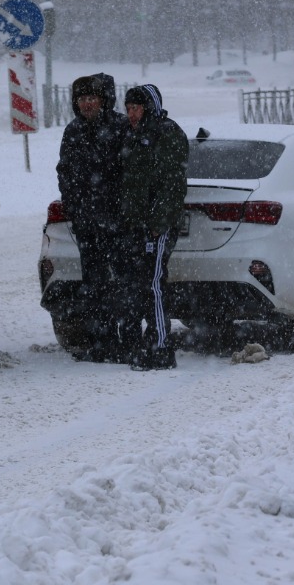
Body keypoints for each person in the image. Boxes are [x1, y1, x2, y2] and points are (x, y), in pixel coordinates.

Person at [56, 73, 133, 362]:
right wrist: (74, 207)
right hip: (87, 224)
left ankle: (128, 339)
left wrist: (122, 210)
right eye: (82, 99)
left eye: (92, 98)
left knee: (125, 283)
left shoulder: (120, 127)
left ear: (104, 101)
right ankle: (101, 340)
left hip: (119, 222)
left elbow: (129, 172)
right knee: (94, 284)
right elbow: (65, 172)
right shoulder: (73, 131)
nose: (87, 104)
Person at [118, 84, 189, 371]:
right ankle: (143, 343)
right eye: (128, 108)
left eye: (136, 108)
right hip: (134, 225)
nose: (131, 114)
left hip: (156, 227)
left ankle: (161, 346)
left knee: (154, 285)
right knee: (136, 284)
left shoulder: (167, 133)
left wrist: (159, 222)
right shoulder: (132, 135)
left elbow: (172, 184)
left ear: (149, 108)